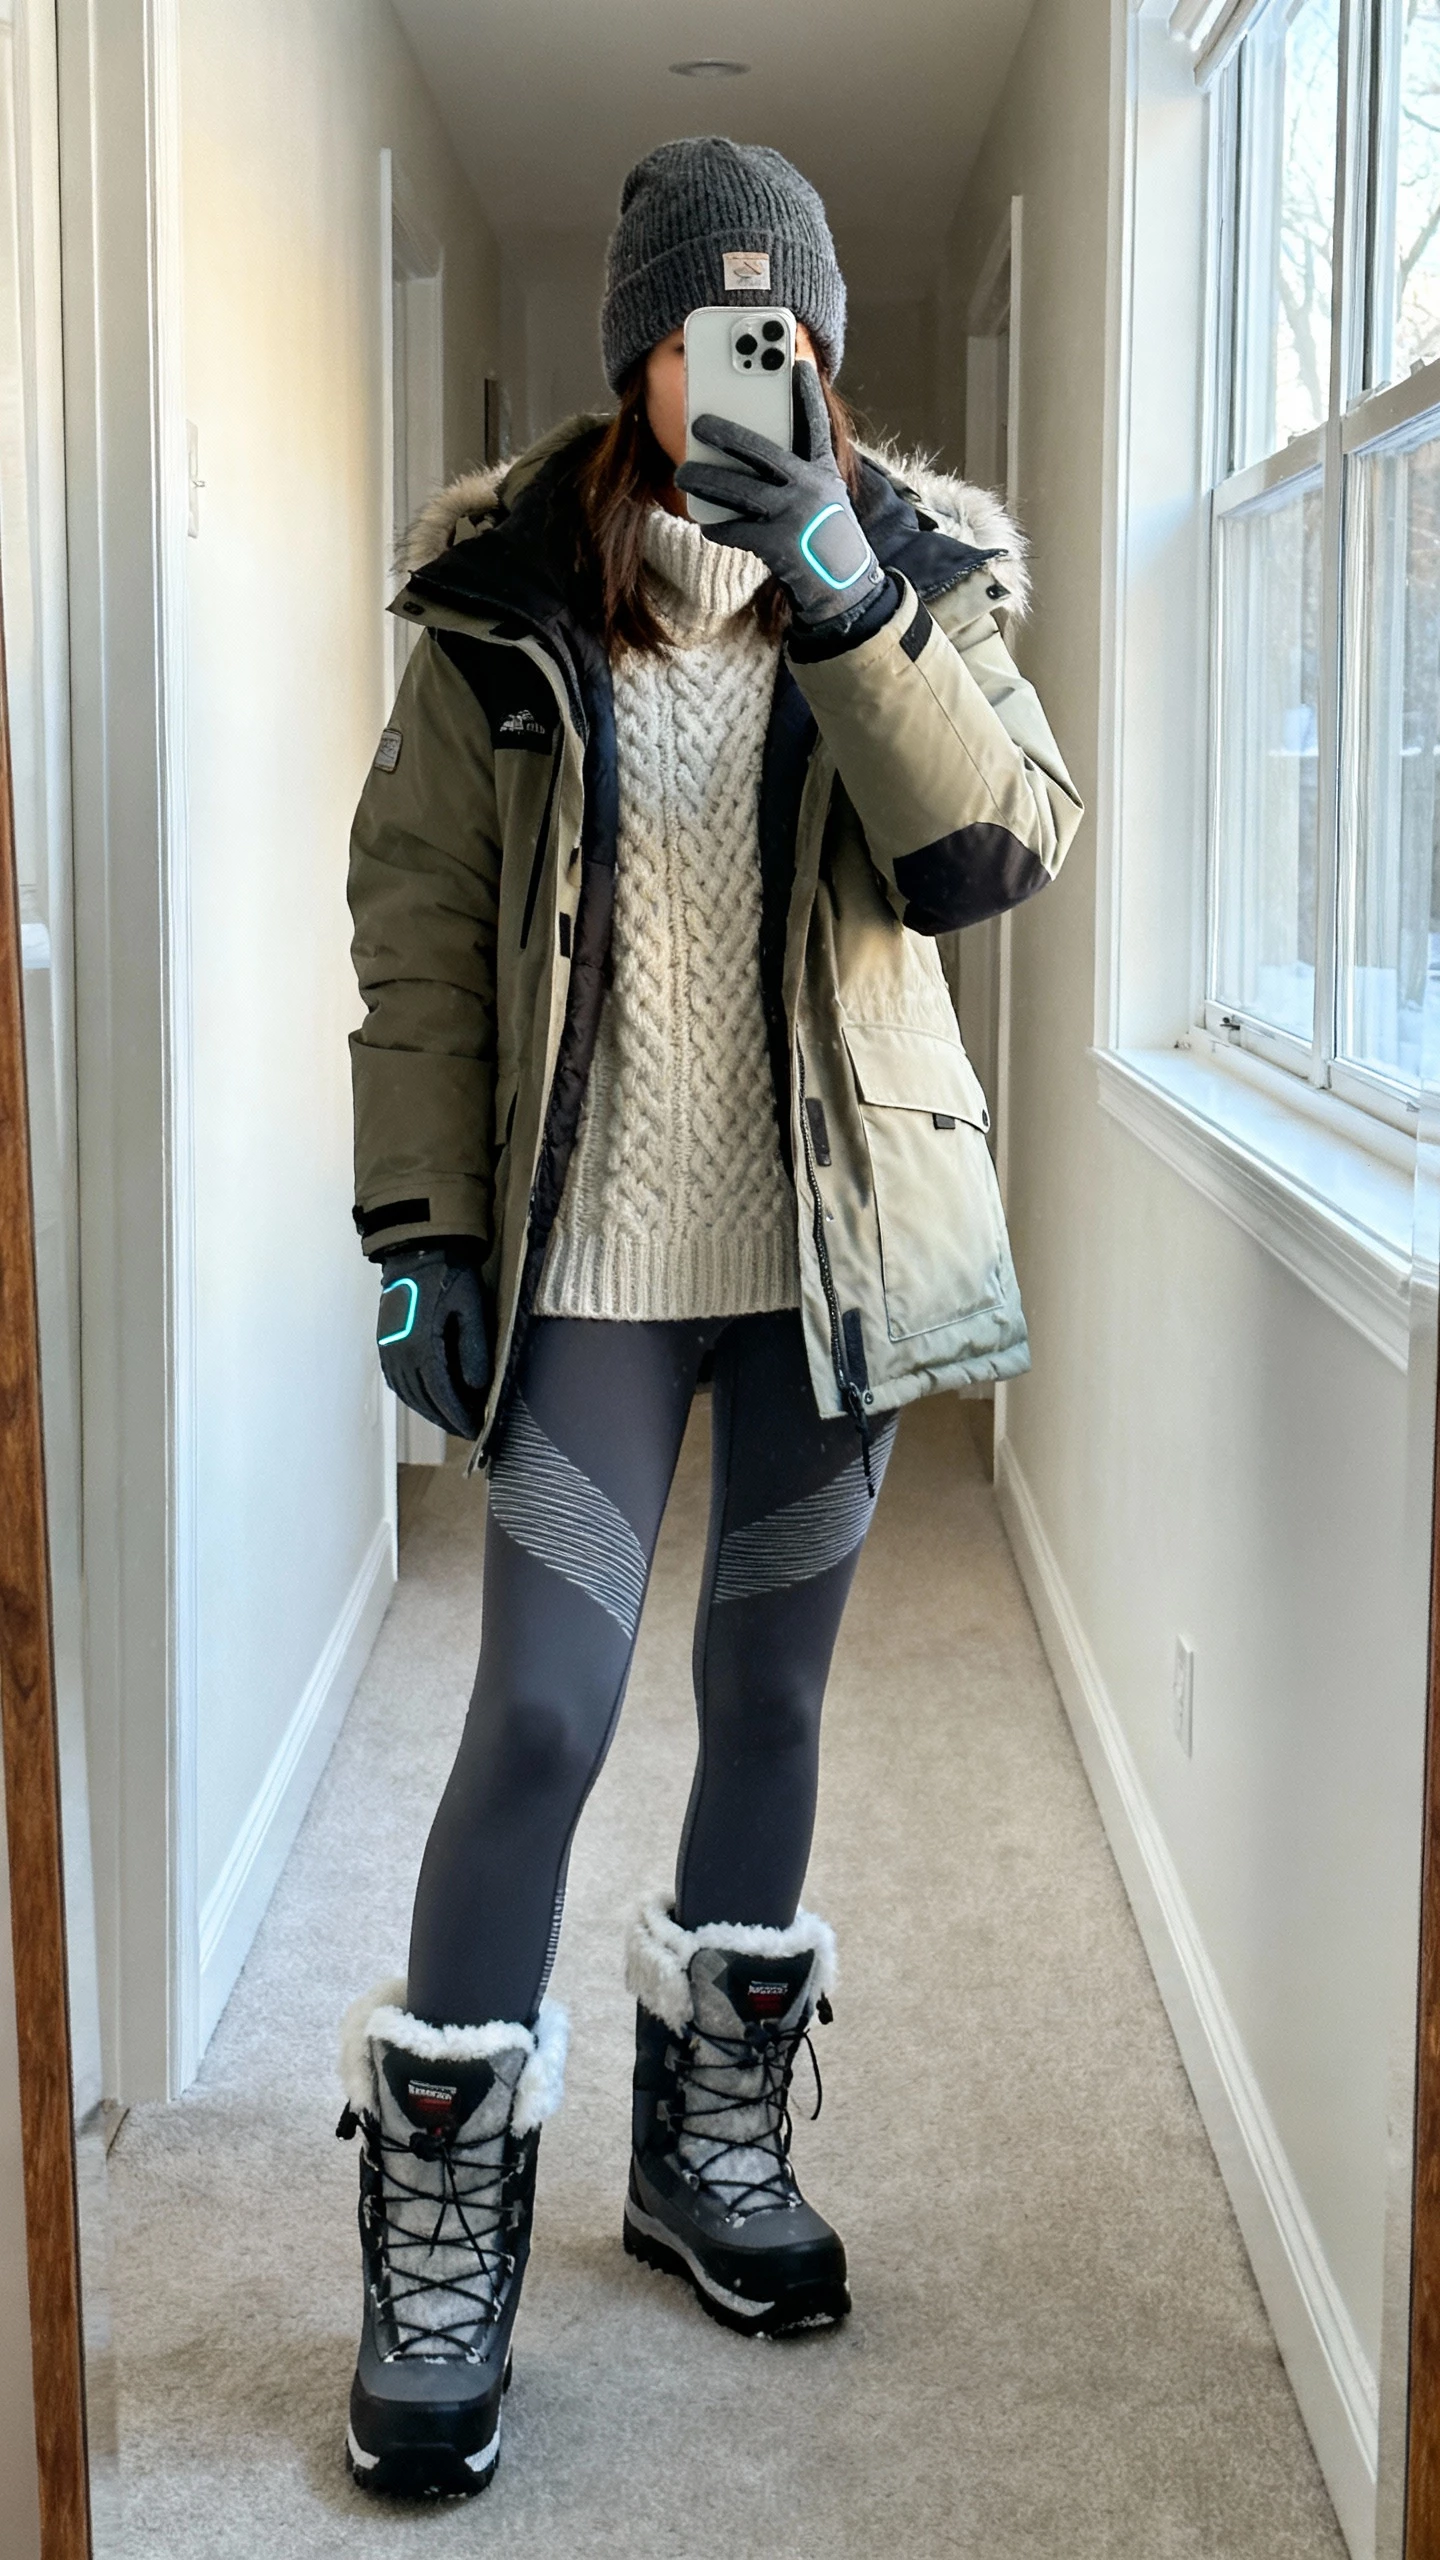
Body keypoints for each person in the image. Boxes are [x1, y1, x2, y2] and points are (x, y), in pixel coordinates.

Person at [337, 136, 1082, 2500]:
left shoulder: (917, 571)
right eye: (692, 331)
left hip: (828, 1256)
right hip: (589, 1264)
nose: (730, 369)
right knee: (541, 1714)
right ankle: (440, 2216)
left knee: (768, 1689)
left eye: (775, 334)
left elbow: (989, 851)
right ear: (629, 356)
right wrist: (422, 1222)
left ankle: (702, 2155)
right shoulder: (495, 602)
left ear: (822, 355)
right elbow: (427, 909)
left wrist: (839, 574)